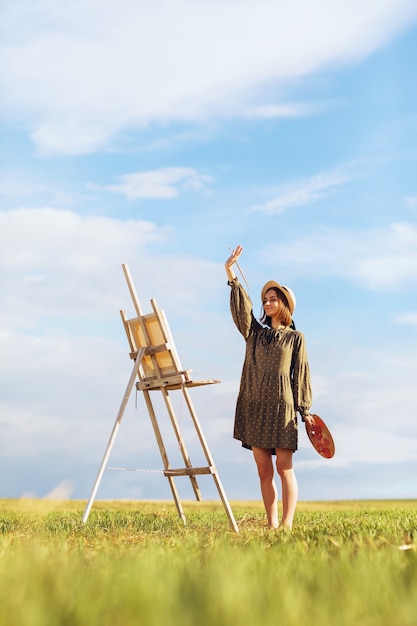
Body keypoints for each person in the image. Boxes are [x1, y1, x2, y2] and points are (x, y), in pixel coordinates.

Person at [225, 245, 315, 530]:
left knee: (283, 468)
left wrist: (305, 410)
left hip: (282, 408)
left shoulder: (295, 338)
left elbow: (300, 374)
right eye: (265, 299)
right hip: (255, 405)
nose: (266, 303)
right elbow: (243, 310)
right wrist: (230, 272)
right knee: (264, 471)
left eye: (272, 299)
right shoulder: (255, 334)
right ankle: (272, 525)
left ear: (284, 304)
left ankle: (287, 524)